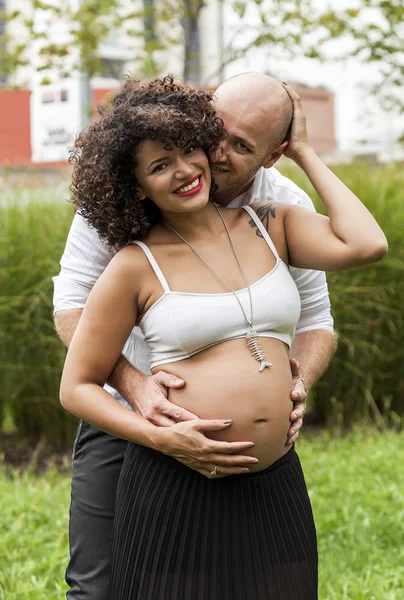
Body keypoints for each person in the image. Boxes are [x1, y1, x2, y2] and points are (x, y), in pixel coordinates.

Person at [59, 75, 387, 599]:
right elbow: (72, 318)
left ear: (273, 155)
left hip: (271, 473)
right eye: (212, 132)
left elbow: (344, 279)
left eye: (239, 145)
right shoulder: (127, 247)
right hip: (143, 428)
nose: (207, 157)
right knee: (99, 587)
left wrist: (295, 385)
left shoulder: (275, 212)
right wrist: (142, 395)